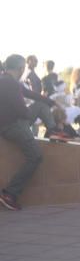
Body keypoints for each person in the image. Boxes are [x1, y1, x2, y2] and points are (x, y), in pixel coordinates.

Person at [0, 54, 55, 210]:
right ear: (21, 68)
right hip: (13, 126)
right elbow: (20, 109)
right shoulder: (9, 83)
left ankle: (52, 131)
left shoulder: (7, 80)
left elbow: (29, 93)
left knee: (41, 104)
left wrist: (49, 101)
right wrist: (35, 114)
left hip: (10, 124)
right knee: (35, 156)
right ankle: (10, 193)